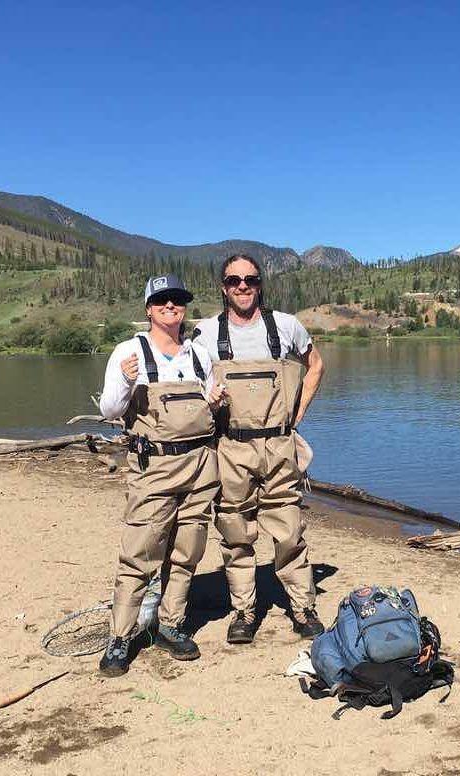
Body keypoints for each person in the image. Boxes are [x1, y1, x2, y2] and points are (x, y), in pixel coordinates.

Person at [193, 254, 325, 643]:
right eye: (234, 280)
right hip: (230, 447)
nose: (243, 286)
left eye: (250, 279)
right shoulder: (204, 333)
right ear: (223, 287)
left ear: (260, 283)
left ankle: (303, 608)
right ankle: (244, 611)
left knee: (289, 531)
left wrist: (296, 417)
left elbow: (315, 366)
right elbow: (190, 380)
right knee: (235, 532)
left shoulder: (286, 326)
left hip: (280, 443)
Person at [98, 274, 220, 677]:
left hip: (201, 464)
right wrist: (128, 381)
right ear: (149, 309)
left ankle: (171, 625)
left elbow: (209, 405)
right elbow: (111, 411)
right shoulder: (128, 352)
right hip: (153, 468)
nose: (171, 306)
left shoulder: (199, 354)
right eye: (162, 301)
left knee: (187, 551)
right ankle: (120, 637)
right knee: (139, 554)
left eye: (178, 300)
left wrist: (215, 400)